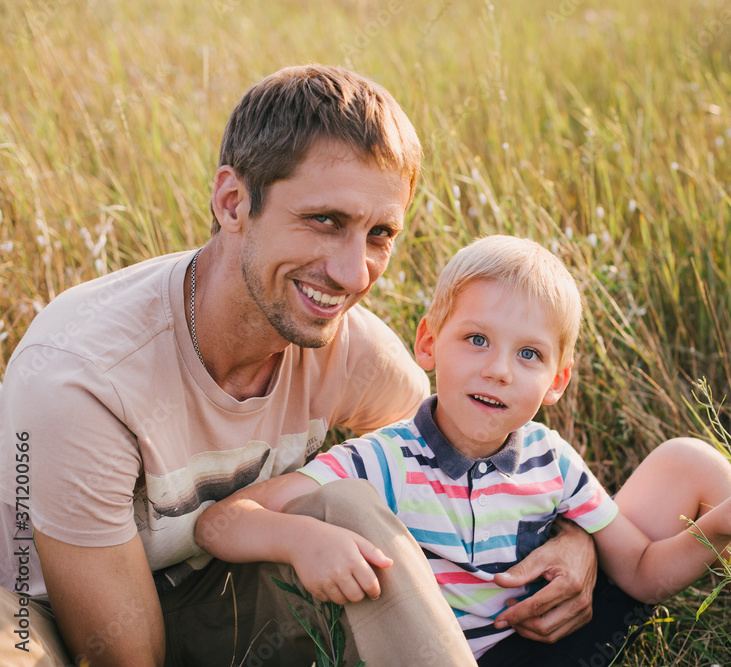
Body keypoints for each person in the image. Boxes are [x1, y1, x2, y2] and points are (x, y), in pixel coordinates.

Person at [0, 66, 598, 667]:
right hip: (39, 611)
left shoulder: (348, 345)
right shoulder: (80, 379)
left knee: (351, 512)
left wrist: (576, 539)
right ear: (234, 203)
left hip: (218, 588)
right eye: (326, 221)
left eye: (379, 234)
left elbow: (471, 445)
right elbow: (123, 657)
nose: (353, 273)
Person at [195, 235, 731, 664]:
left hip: (548, 638)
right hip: (440, 655)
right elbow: (222, 522)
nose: (499, 371)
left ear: (558, 381)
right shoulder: (383, 460)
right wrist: (305, 538)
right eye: (477, 340)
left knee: (691, 459)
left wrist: (715, 529)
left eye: (529, 354)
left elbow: (642, 574)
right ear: (429, 342)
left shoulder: (550, 459)